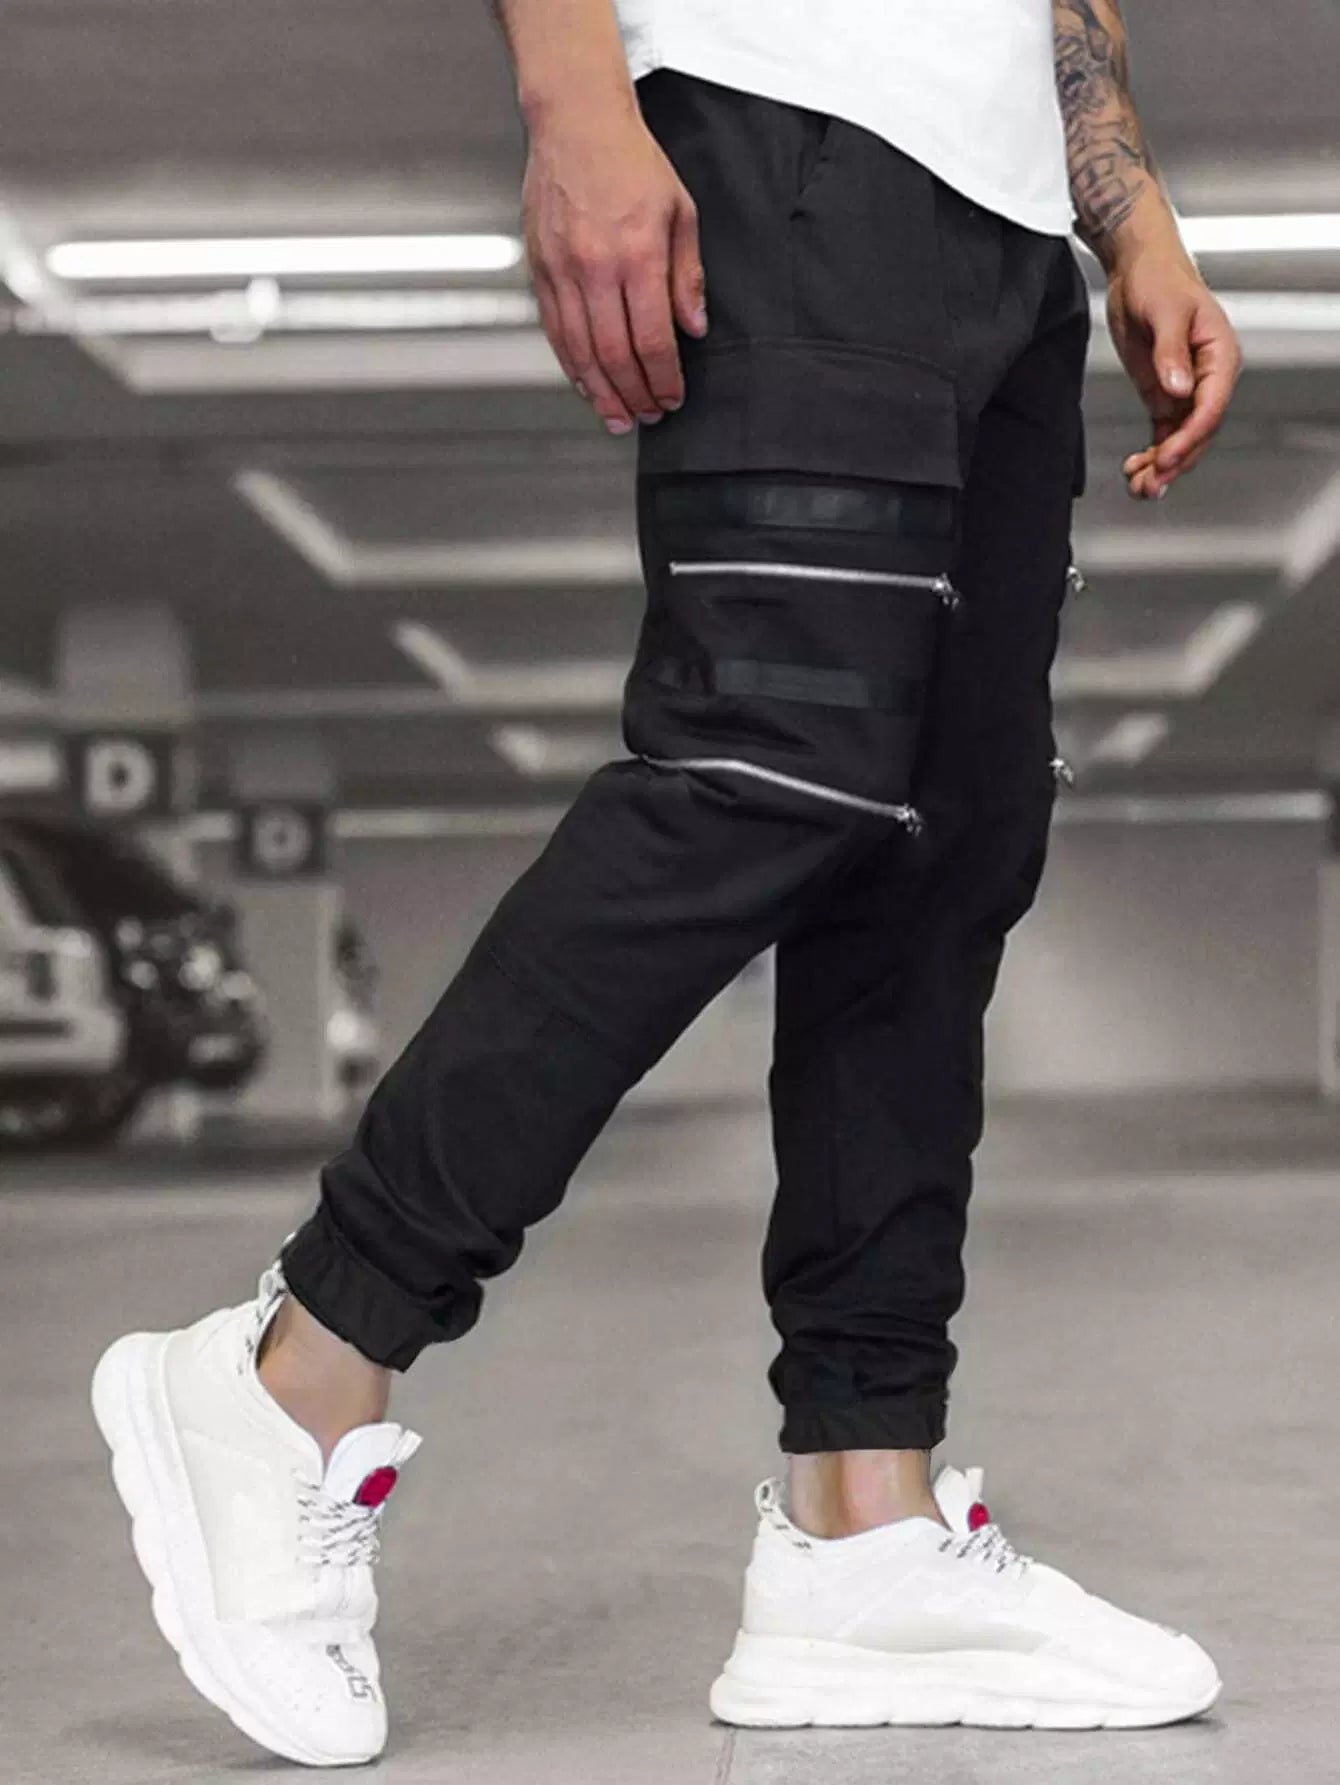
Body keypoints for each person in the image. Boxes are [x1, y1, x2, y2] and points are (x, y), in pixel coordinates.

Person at [92, 0, 1243, 1764]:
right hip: (786, 127)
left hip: (1011, 231)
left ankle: (863, 1522)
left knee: (944, 849)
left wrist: (1130, 214)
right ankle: (296, 1367)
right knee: (763, 771)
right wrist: (575, 98)